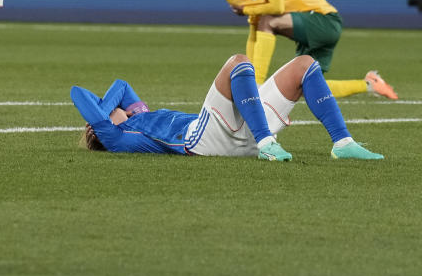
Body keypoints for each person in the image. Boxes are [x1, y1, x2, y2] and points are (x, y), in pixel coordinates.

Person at [73, 54, 385, 161]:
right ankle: (266, 143)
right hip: (201, 141)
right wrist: (105, 112)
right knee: (238, 62)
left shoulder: (138, 115)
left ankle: (343, 143)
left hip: (235, 133)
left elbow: (121, 84)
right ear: (97, 125)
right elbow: (79, 95)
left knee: (304, 65)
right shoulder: (115, 137)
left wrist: (116, 108)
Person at [222, 0, 399, 100]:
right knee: (307, 87)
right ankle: (370, 84)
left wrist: (254, 86)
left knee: (269, 20)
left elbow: (277, 7)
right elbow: (254, 37)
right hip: (315, 30)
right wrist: (249, 74)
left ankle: (257, 86)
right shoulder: (258, 5)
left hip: (325, 21)